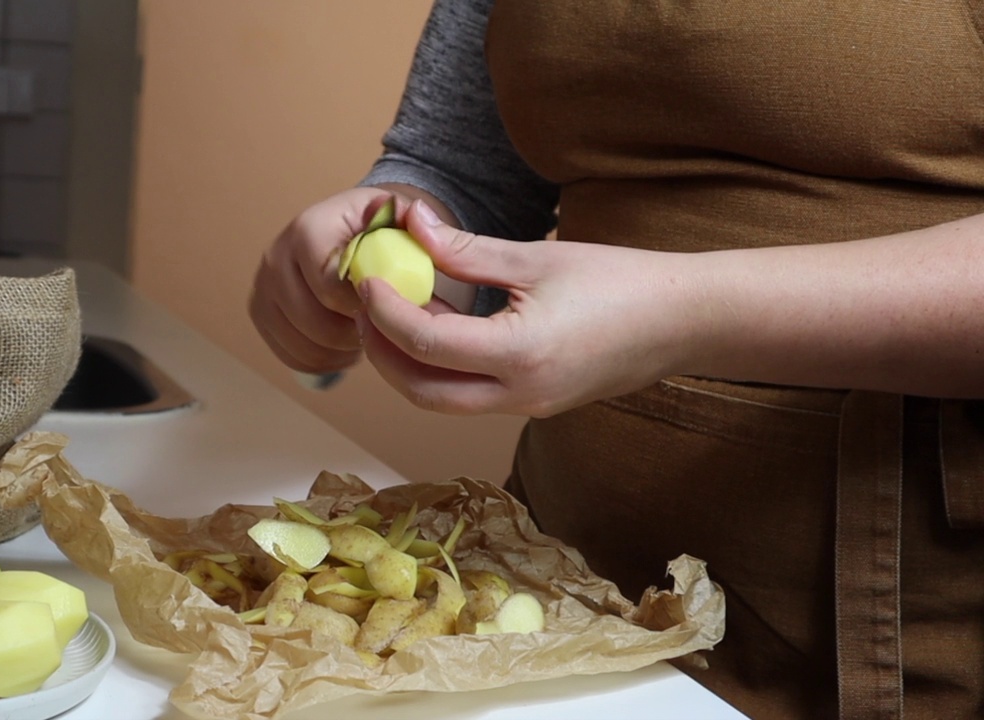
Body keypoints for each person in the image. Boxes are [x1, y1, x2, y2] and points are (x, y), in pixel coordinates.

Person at [246, 1, 984, 718]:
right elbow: (467, 170)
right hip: (561, 590)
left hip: (887, 639)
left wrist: (684, 313)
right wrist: (391, 236)